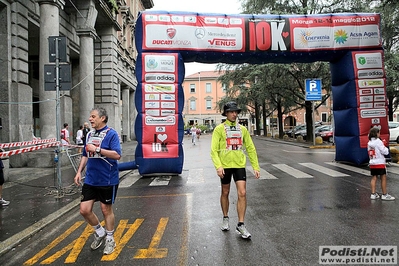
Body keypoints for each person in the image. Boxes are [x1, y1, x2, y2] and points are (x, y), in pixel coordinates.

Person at [74, 107, 122, 254]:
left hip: (107, 179)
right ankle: (99, 232)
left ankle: (109, 239)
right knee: (84, 210)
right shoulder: (89, 134)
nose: (90, 119)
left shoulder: (111, 134)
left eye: (93, 116)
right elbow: (85, 154)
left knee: (105, 209)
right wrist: (79, 171)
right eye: (90, 117)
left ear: (102, 118)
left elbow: (117, 155)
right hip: (91, 179)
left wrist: (98, 149)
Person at [210, 101, 260, 239]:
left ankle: (241, 224)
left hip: (239, 165)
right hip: (225, 166)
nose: (234, 114)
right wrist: (218, 166)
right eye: (231, 112)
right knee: (225, 192)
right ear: (226, 113)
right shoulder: (219, 129)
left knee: (242, 193)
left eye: (236, 112)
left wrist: (256, 167)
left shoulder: (242, 130)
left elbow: (250, 148)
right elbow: (213, 150)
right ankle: (225, 217)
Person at [367, 127, 395, 201]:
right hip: (379, 163)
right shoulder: (378, 142)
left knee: (374, 178)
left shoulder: (369, 143)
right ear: (376, 133)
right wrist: (384, 145)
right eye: (379, 132)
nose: (380, 134)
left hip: (372, 162)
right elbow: (385, 152)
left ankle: (373, 194)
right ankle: (384, 194)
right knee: (383, 177)